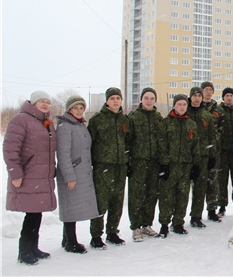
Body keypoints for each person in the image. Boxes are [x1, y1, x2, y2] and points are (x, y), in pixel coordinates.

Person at [3, 91, 57, 265]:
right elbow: (10, 149)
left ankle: (34, 247)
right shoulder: (21, 120)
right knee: (31, 215)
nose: (45, 105)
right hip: (28, 176)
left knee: (36, 214)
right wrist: (15, 174)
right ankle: (24, 251)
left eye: (48, 102)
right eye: (41, 101)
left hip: (42, 177)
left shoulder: (46, 123)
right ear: (33, 103)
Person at [56, 95, 99, 254]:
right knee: (70, 206)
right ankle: (71, 242)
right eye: (76, 108)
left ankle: (66, 238)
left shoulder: (80, 125)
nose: (79, 111)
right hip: (72, 173)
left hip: (81, 172)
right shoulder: (65, 127)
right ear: (69, 109)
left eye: (81, 108)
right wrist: (69, 176)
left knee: (73, 205)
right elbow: (63, 154)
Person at [87, 87, 129, 249]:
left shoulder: (125, 120)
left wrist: (127, 161)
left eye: (118, 98)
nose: (115, 101)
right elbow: (89, 144)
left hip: (120, 167)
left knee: (117, 202)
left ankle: (112, 232)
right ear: (106, 101)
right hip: (102, 167)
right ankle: (96, 235)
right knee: (101, 202)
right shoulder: (97, 120)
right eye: (112, 98)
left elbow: (129, 142)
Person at [157, 94, 198, 237]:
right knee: (167, 197)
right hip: (170, 166)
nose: (182, 107)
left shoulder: (191, 124)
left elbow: (195, 146)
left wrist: (195, 165)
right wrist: (164, 164)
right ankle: (164, 224)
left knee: (182, 196)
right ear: (174, 105)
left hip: (185, 167)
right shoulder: (166, 123)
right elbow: (161, 145)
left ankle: (178, 222)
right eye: (179, 104)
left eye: (184, 105)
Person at [126, 87, 163, 242]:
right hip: (138, 162)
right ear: (141, 99)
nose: (149, 101)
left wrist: (162, 161)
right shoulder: (133, 117)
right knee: (136, 195)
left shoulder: (158, 118)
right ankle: (136, 226)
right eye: (146, 98)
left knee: (152, 194)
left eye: (152, 98)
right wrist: (128, 161)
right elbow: (127, 141)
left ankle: (147, 224)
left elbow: (162, 141)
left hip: (154, 162)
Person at [187, 86, 217, 227]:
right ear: (191, 97)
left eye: (199, 96)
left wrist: (212, 156)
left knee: (200, 188)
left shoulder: (206, 115)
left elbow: (212, 136)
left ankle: (196, 216)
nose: (197, 98)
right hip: (185, 158)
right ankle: (176, 219)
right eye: (195, 95)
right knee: (182, 190)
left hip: (203, 156)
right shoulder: (184, 112)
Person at [216, 87, 233, 216]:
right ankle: (222, 205)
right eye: (226, 95)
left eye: (231, 96)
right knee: (222, 179)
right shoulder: (218, 111)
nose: (229, 98)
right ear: (223, 98)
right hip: (222, 151)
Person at [200, 81, 222, 222]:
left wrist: (213, 143)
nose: (208, 92)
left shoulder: (217, 110)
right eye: (206, 89)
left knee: (213, 180)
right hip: (198, 151)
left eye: (210, 90)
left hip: (214, 150)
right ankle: (196, 212)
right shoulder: (195, 107)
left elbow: (221, 129)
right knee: (198, 181)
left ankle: (212, 209)